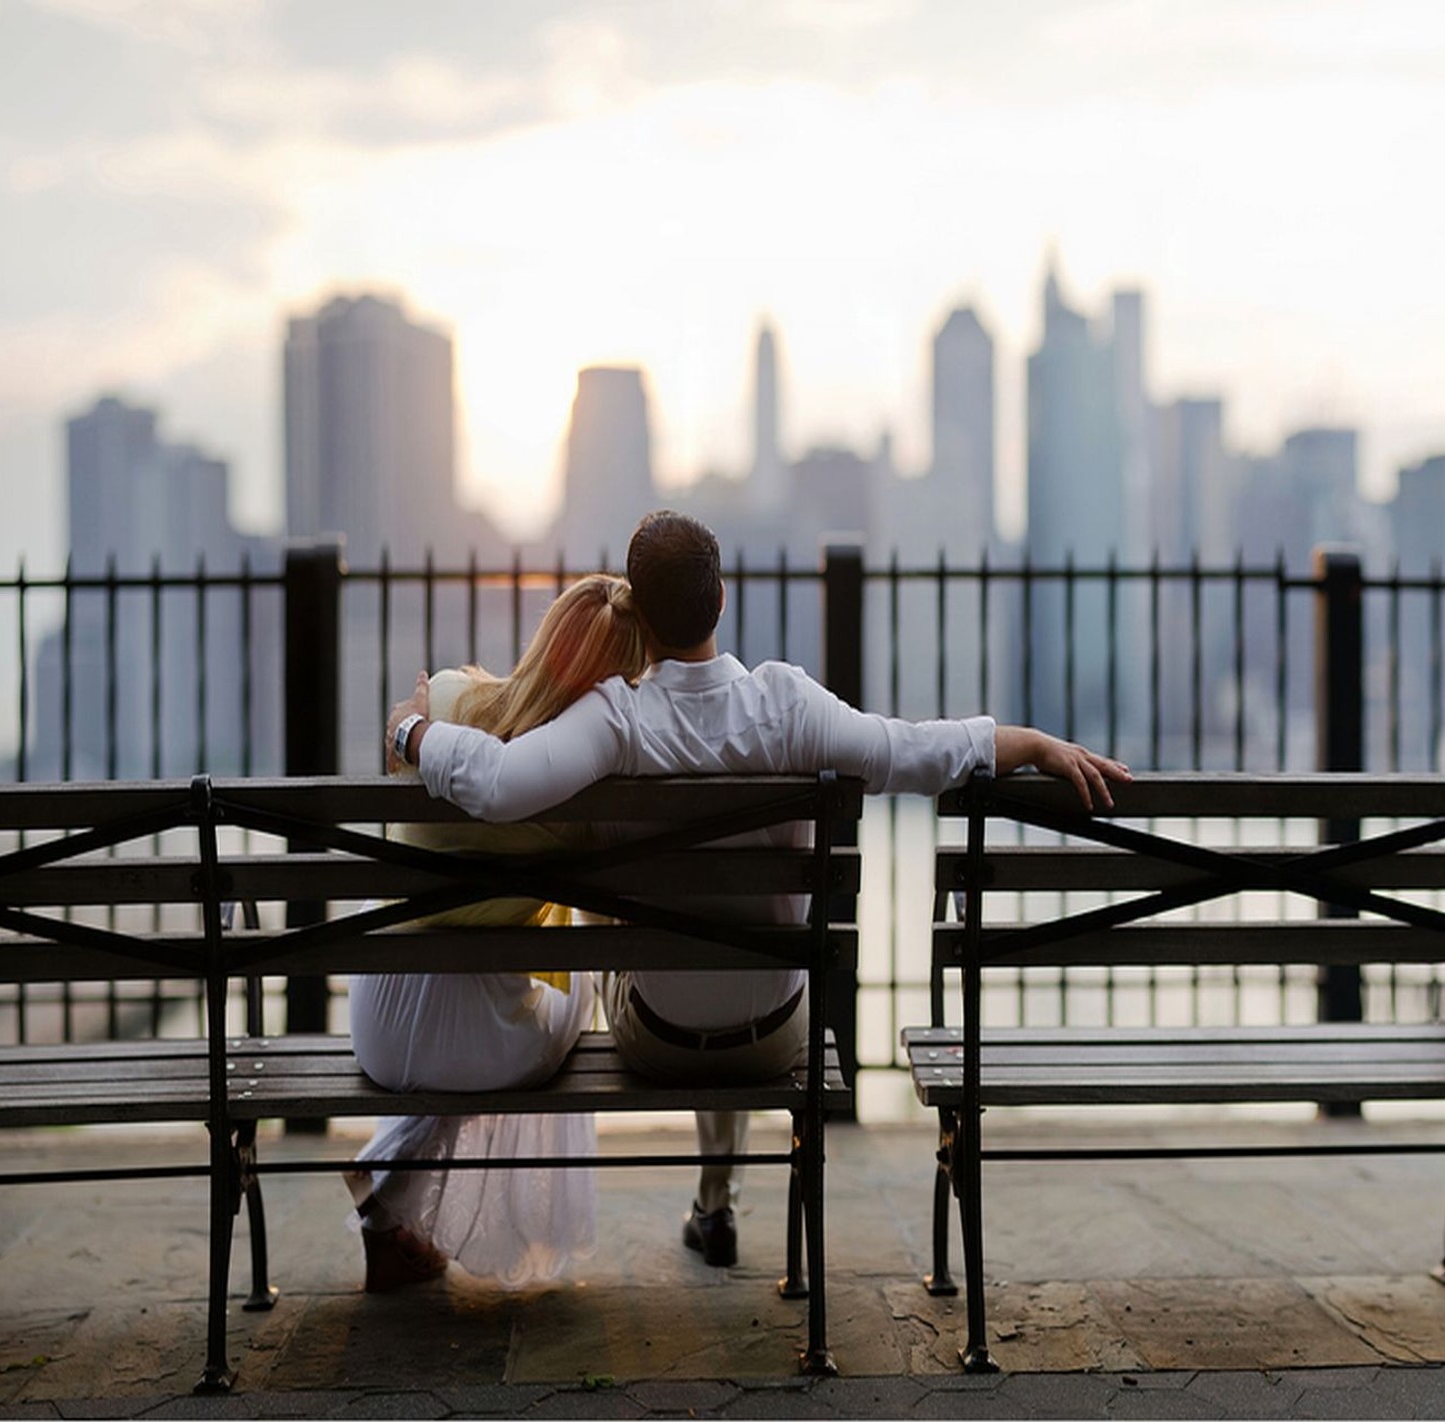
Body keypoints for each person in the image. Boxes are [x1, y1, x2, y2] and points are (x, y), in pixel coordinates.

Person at [385, 510, 1131, 1269]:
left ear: (636, 612)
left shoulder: (617, 718)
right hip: (776, 1036)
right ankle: (716, 1201)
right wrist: (1031, 742)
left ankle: (708, 1199)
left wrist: (412, 732)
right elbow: (913, 751)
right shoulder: (787, 703)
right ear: (722, 602)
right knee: (742, 953)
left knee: (637, 947)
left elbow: (503, 783)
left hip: (659, 1039)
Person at [350, 573, 647, 1291]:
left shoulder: (448, 697)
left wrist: (413, 725)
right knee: (567, 991)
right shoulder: (586, 786)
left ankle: (390, 1187)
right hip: (476, 1043)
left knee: (503, 982)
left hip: (380, 1020)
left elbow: (399, 760)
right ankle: (388, 1174)